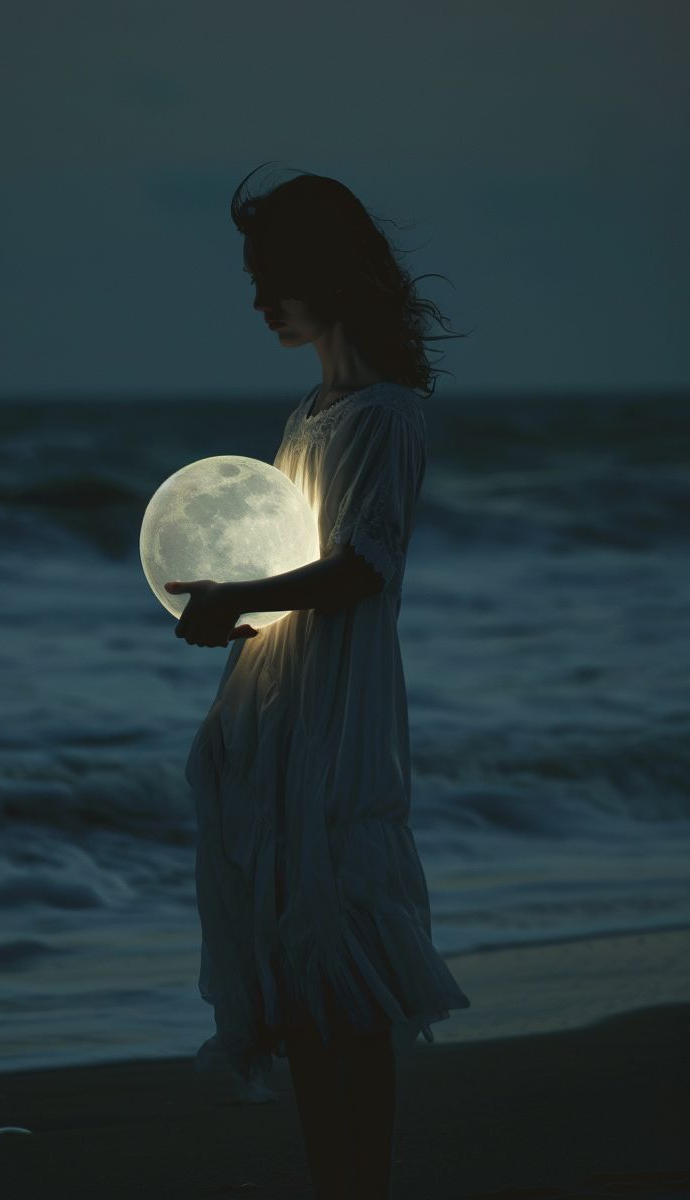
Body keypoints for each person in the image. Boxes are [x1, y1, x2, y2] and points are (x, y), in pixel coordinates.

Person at [166, 164, 472, 1200]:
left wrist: (239, 595)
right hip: (283, 704)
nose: (258, 302)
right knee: (297, 964)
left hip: (340, 716)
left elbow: (360, 566)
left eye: (269, 279)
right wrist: (236, 608)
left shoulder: (384, 416)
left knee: (340, 949)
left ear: (320, 278)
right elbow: (297, 557)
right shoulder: (310, 414)